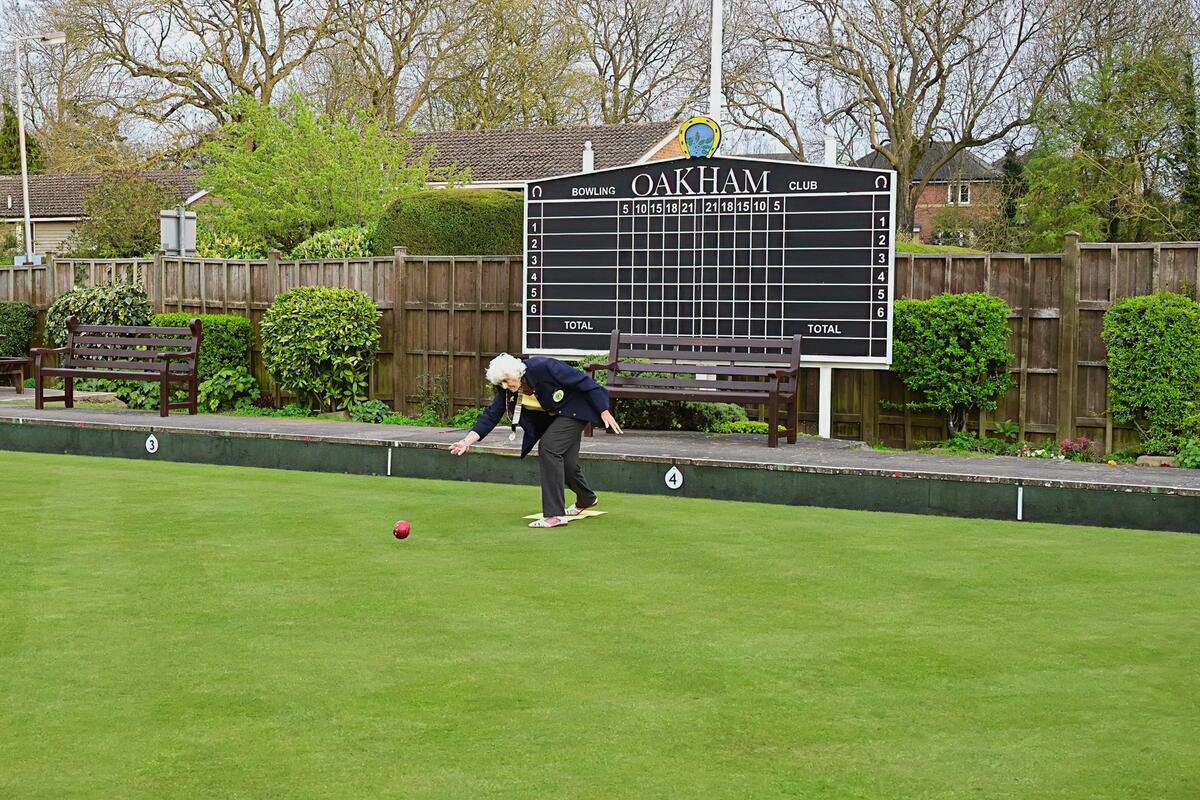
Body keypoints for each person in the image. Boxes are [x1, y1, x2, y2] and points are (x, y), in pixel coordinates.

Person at [450, 353, 622, 528]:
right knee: (568, 464)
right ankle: (586, 498)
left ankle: (555, 515)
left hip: (575, 411)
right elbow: (491, 415)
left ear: (516, 373)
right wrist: (466, 441)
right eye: (501, 383)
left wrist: (603, 410)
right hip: (555, 418)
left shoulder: (544, 367)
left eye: (506, 381)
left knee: (549, 448)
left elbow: (585, 382)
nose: (505, 386)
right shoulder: (506, 388)